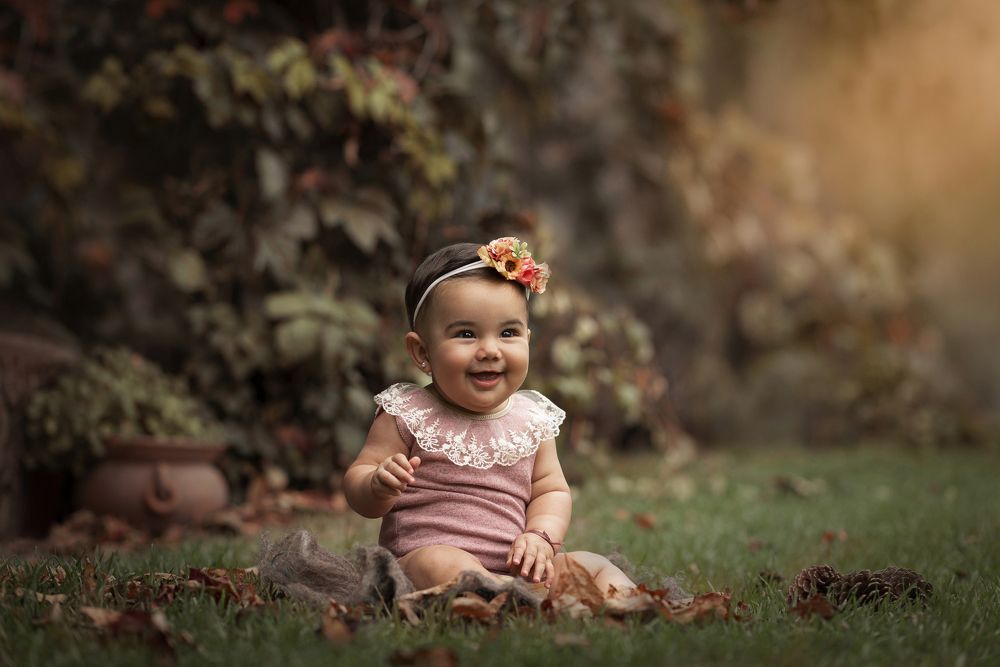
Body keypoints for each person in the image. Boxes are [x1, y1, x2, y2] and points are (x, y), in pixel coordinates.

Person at [344, 238, 637, 596]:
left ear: (527, 339)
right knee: (439, 562)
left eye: (508, 333)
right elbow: (358, 484)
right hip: (422, 561)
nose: (490, 350)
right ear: (422, 352)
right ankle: (511, 597)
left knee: (591, 565)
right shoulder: (407, 412)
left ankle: (628, 604)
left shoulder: (533, 420)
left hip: (515, 568)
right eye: (466, 334)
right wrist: (376, 485)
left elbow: (551, 490)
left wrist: (540, 536)